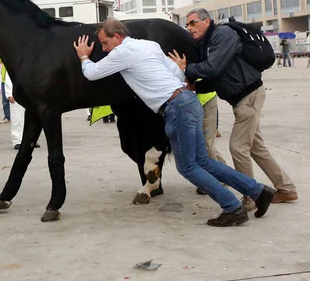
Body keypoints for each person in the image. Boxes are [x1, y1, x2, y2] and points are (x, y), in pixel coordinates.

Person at [74, 19, 276, 227]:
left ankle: (232, 208)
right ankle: (258, 191)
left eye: (104, 42)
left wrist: (83, 56)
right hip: (189, 101)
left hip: (175, 108)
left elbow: (92, 73)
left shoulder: (121, 53)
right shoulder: (148, 45)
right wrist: (180, 67)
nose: (104, 48)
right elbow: (177, 73)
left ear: (117, 36)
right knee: (203, 162)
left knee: (188, 167)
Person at [172, 8, 298, 211]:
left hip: (248, 96)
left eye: (193, 23)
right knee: (256, 148)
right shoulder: (208, 42)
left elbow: (213, 68)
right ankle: (286, 188)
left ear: (207, 21)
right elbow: (218, 77)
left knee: (238, 148)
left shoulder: (222, 35)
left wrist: (186, 69)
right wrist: (195, 86)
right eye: (187, 25)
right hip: (242, 98)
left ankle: (251, 198)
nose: (189, 28)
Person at [4, 72, 40, 150]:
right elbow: (9, 78)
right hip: (17, 94)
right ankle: (17, 140)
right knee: (17, 118)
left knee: (32, 119)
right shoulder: (15, 61)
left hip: (30, 95)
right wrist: (10, 94)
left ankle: (31, 140)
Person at [0, 55, 11, 124]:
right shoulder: (3, 56)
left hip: (13, 81)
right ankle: (7, 117)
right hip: (4, 81)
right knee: (5, 101)